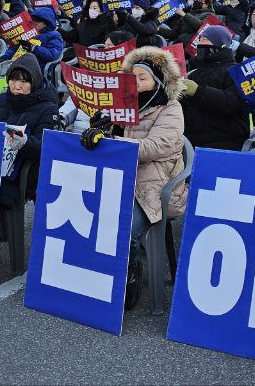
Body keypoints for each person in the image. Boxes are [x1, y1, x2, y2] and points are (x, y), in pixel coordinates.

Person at [79, 46, 185, 309]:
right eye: (132, 77)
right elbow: (111, 140)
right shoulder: (124, 105)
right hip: (123, 177)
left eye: (143, 78)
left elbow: (156, 146)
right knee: (86, 212)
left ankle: (130, 276)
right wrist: (100, 128)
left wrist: (114, 140)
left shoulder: (171, 109)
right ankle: (92, 272)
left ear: (158, 82)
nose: (136, 83)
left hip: (156, 186)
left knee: (123, 227)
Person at [0, 54, 60, 207]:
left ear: (34, 82)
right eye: (13, 80)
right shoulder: (1, 99)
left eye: (24, 81)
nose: (17, 86)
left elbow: (46, 147)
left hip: (19, 172)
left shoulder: (48, 108)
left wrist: (24, 143)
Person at [179, 25, 248, 151]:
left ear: (220, 45)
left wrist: (198, 91)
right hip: (189, 139)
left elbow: (232, 103)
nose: (200, 44)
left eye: (205, 40)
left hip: (222, 141)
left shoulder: (235, 72)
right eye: (200, 39)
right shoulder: (194, 72)